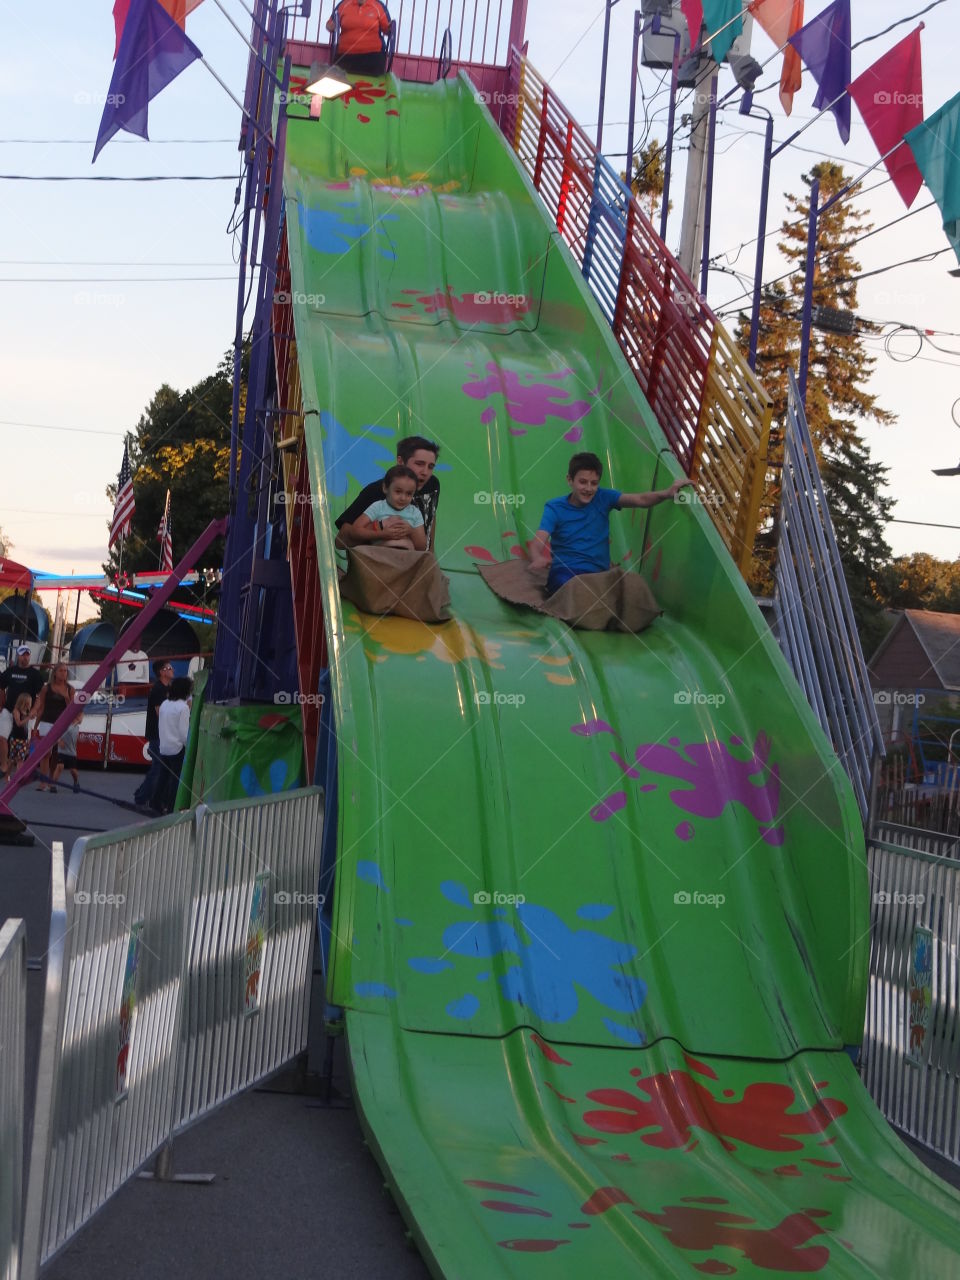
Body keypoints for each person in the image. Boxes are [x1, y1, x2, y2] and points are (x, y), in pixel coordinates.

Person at [529, 451, 691, 593]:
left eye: (594, 483)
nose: (589, 488)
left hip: (598, 575)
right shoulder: (555, 507)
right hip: (566, 572)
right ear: (570, 480)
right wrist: (537, 558)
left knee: (634, 587)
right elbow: (538, 541)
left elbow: (640, 499)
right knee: (568, 587)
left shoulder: (604, 497)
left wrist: (667, 493)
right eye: (583, 482)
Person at [335, 436, 441, 551]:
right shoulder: (375, 491)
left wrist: (430, 555)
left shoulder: (432, 484)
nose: (425, 472)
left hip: (415, 562)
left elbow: (431, 515)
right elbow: (341, 541)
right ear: (400, 461)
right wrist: (379, 527)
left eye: (430, 467)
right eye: (419, 464)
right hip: (381, 563)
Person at [349, 465, 427, 551]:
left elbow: (422, 547)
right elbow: (355, 531)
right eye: (398, 491)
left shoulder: (415, 513)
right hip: (380, 558)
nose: (403, 498)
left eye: (408, 494)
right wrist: (382, 534)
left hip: (406, 561)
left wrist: (411, 531)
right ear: (385, 488)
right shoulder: (378, 507)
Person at [0, 646, 45, 780]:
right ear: (18, 656)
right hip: (9, 709)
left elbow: (40, 696)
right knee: (2, 737)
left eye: (27, 655)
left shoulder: (35, 674)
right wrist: (1, 704)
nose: (25, 657)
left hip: (26, 712)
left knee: (25, 741)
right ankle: (3, 765)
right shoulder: (10, 671)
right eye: (22, 655)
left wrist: (34, 710)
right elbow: (1, 688)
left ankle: (21, 770)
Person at [134, 660, 174, 811]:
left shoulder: (166, 689)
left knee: (160, 767)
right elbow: (160, 713)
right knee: (158, 768)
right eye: (169, 668)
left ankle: (145, 795)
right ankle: (142, 797)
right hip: (158, 734)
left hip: (163, 734)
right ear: (162, 672)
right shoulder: (158, 690)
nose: (172, 670)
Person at [36, 662, 80, 792]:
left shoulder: (70, 689)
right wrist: (35, 727)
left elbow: (73, 709)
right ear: (55, 673)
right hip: (46, 722)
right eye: (61, 670)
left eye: (65, 671)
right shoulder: (46, 688)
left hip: (62, 724)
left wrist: (67, 697)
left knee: (56, 754)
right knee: (45, 753)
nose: (64, 673)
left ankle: (51, 780)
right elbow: (41, 708)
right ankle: (43, 781)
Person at [155, 677, 192, 815]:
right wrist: (188, 746)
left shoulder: (165, 704)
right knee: (175, 780)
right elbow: (184, 733)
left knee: (162, 777)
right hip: (177, 748)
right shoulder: (183, 707)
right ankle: (171, 807)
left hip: (164, 746)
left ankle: (156, 803)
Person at [326, 0, 392, 76]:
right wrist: (330, 26)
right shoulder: (343, 4)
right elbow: (330, 24)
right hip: (345, 55)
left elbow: (387, 29)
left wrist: (390, 28)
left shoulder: (378, 6)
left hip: (373, 57)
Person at [5, 693, 33, 774]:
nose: (30, 704)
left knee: (21, 759)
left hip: (24, 739)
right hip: (15, 738)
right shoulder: (16, 711)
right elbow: (18, 723)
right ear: (24, 702)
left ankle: (18, 778)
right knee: (12, 758)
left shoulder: (27, 712)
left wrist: (29, 738)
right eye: (29, 702)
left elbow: (28, 727)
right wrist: (28, 718)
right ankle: (7, 775)